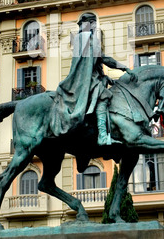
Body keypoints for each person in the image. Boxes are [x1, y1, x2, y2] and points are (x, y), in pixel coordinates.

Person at [51, 13, 136, 145]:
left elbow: (93, 64)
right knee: (102, 96)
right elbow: (104, 59)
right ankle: (102, 135)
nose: (95, 26)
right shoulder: (89, 39)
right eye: (93, 23)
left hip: (86, 79)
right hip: (87, 82)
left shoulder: (80, 39)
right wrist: (124, 68)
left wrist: (105, 77)